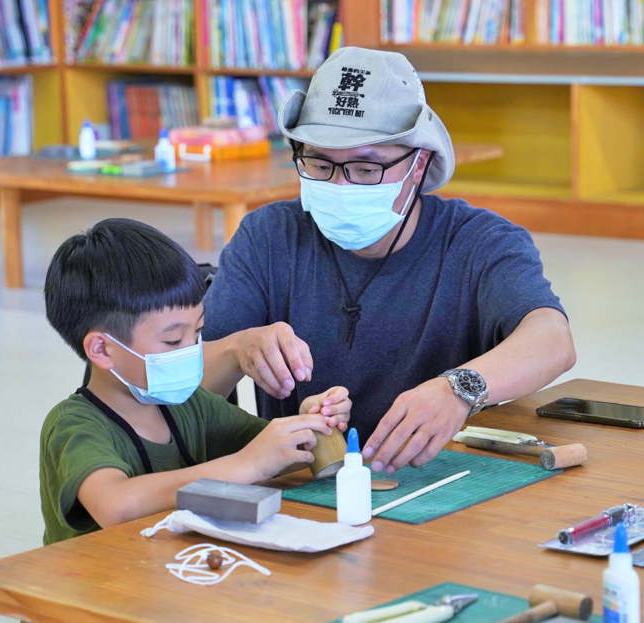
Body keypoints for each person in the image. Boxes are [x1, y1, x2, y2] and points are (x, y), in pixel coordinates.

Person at [201, 47, 575, 475]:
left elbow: (552, 340)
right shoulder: (269, 236)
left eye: (366, 169)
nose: (340, 185)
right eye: (320, 163)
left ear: (418, 165)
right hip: (305, 487)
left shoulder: (479, 242)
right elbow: (180, 392)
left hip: (443, 486)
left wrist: (457, 390)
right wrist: (237, 350)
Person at [39, 218, 350, 545]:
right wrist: (248, 463)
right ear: (102, 349)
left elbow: (276, 459)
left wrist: (308, 426)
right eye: (173, 341)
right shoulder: (73, 426)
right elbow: (116, 505)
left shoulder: (191, 405)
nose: (192, 351)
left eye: (198, 333)